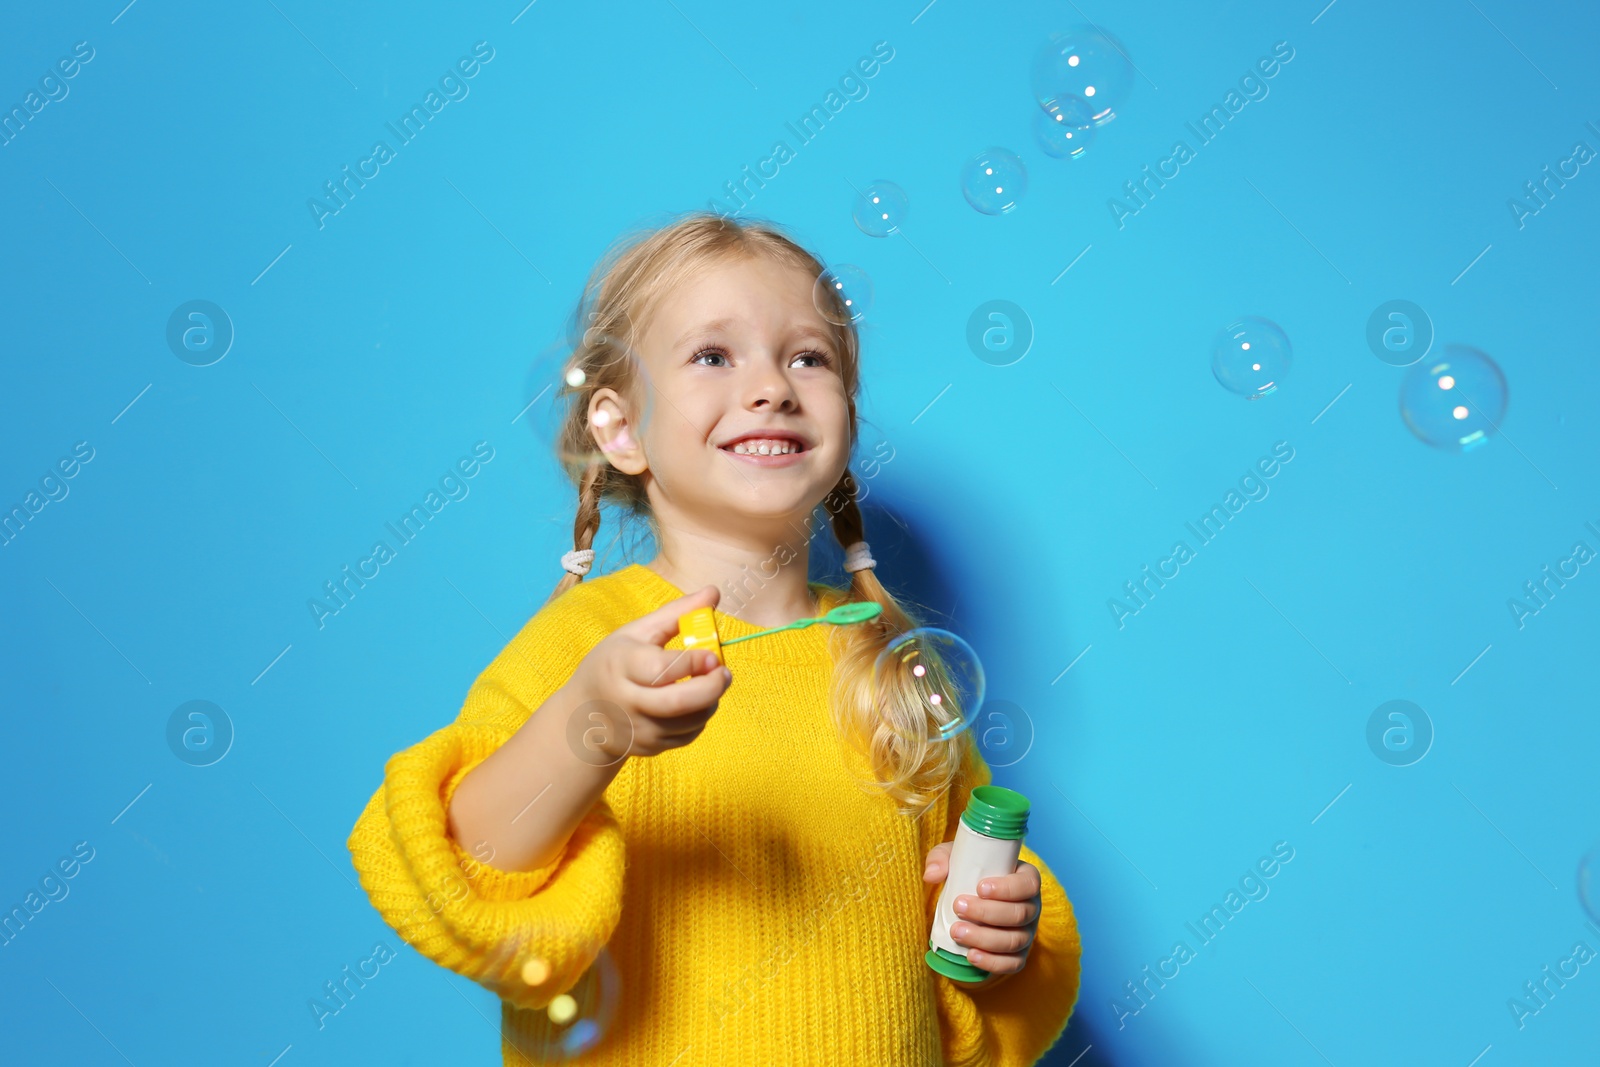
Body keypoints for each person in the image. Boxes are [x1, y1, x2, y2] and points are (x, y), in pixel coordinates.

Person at [346, 210, 1082, 1065]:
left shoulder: (889, 659)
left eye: (809, 356)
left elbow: (964, 928)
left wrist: (1000, 933)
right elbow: (468, 873)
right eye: (712, 355)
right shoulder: (584, 647)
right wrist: (589, 726)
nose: (772, 385)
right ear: (619, 430)